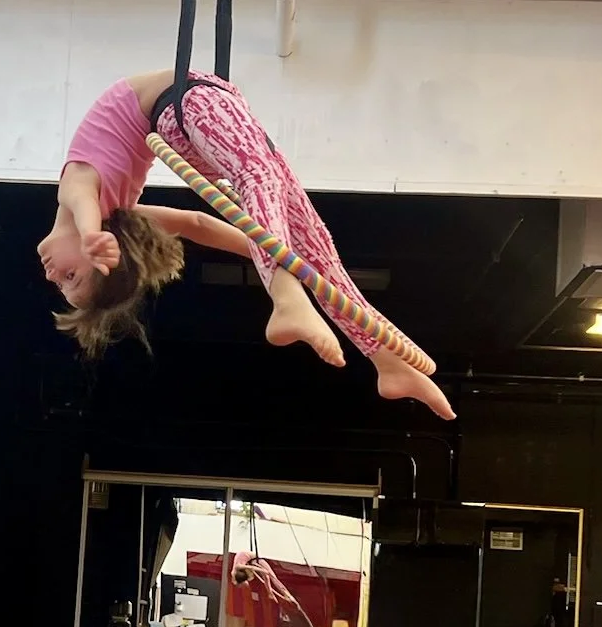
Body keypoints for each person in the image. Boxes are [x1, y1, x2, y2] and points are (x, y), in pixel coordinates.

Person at [38, 69, 454, 419]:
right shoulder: (119, 213)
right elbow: (197, 225)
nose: (53, 275)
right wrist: (278, 255)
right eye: (70, 279)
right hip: (190, 109)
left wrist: (93, 235)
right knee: (302, 232)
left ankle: (310, 312)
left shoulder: (78, 194)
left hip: (180, 103)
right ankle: (384, 359)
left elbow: (87, 200)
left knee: (274, 197)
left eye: (65, 280)